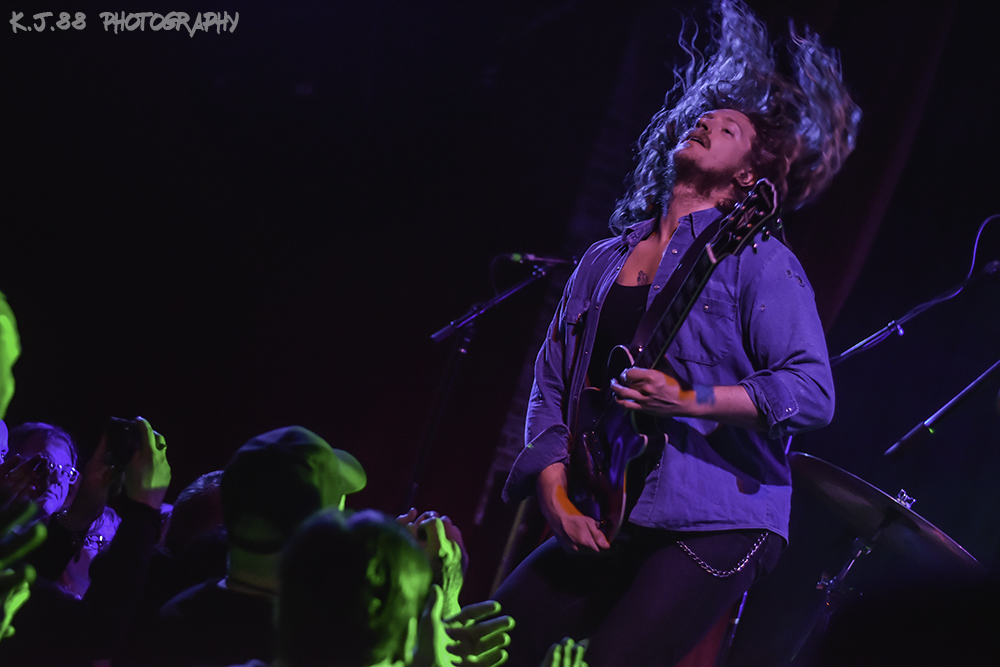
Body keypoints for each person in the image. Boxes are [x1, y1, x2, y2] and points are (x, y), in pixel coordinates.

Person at [493, 1, 860, 665]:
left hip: (719, 515)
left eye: (726, 128)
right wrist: (551, 494)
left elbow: (811, 391)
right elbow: (551, 392)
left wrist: (686, 400)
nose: (705, 123)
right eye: (703, 117)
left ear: (748, 177)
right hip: (606, 502)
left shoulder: (759, 258)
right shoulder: (602, 261)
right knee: (489, 640)